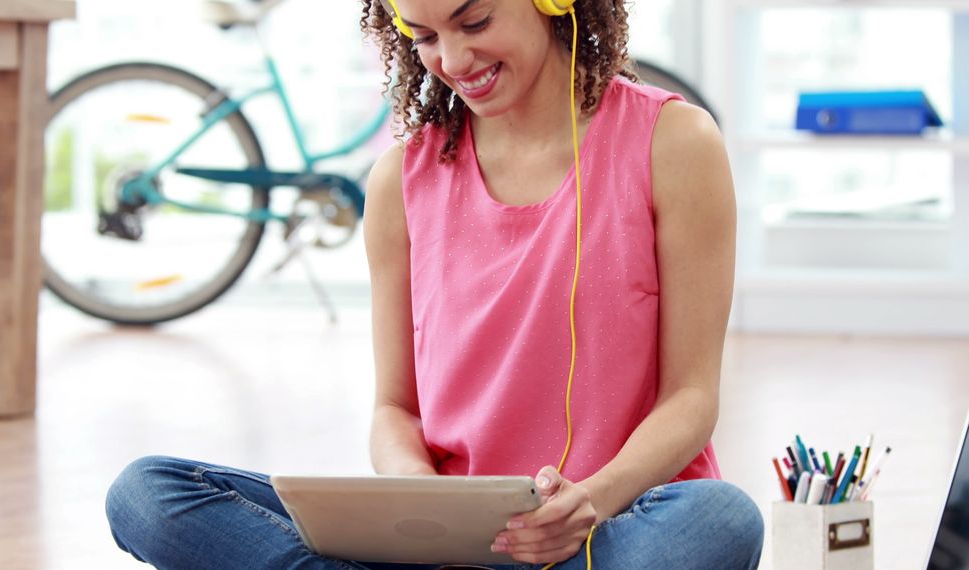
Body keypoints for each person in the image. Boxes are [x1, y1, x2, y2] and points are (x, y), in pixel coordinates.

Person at [104, 0, 765, 568]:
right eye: (422, 36)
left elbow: (690, 397)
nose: (451, 59)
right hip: (448, 549)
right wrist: (418, 508)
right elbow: (395, 410)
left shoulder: (674, 142)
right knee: (147, 493)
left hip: (607, 529)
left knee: (720, 519)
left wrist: (590, 501)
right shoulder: (399, 181)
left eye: (473, 21)